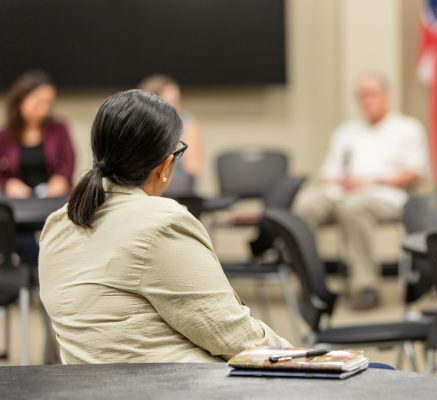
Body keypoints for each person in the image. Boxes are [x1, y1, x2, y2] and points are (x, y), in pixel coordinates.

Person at [39, 90, 290, 364]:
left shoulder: (57, 224)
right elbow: (232, 335)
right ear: (166, 165)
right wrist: (307, 357)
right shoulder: (161, 223)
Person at [295, 73, 429, 310]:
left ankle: (364, 286)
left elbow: (414, 173)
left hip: (386, 195)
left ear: (387, 95)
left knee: (353, 208)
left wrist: (370, 181)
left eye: (372, 94)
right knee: (306, 205)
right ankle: (311, 282)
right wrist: (346, 182)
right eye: (361, 96)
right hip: (341, 192)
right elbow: (326, 174)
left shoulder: (407, 128)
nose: (366, 100)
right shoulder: (346, 132)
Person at [0, 70, 75, 199]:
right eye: (38, 102)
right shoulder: (4, 135)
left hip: (53, 200)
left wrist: (61, 179)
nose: (44, 110)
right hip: (18, 202)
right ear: (21, 99)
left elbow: (68, 162)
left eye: (49, 103)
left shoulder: (59, 129)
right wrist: (7, 184)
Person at [138, 74, 202, 195]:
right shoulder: (139, 126)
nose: (176, 109)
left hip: (177, 194)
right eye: (170, 102)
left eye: (177, 101)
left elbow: (192, 170)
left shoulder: (187, 123)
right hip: (142, 193)